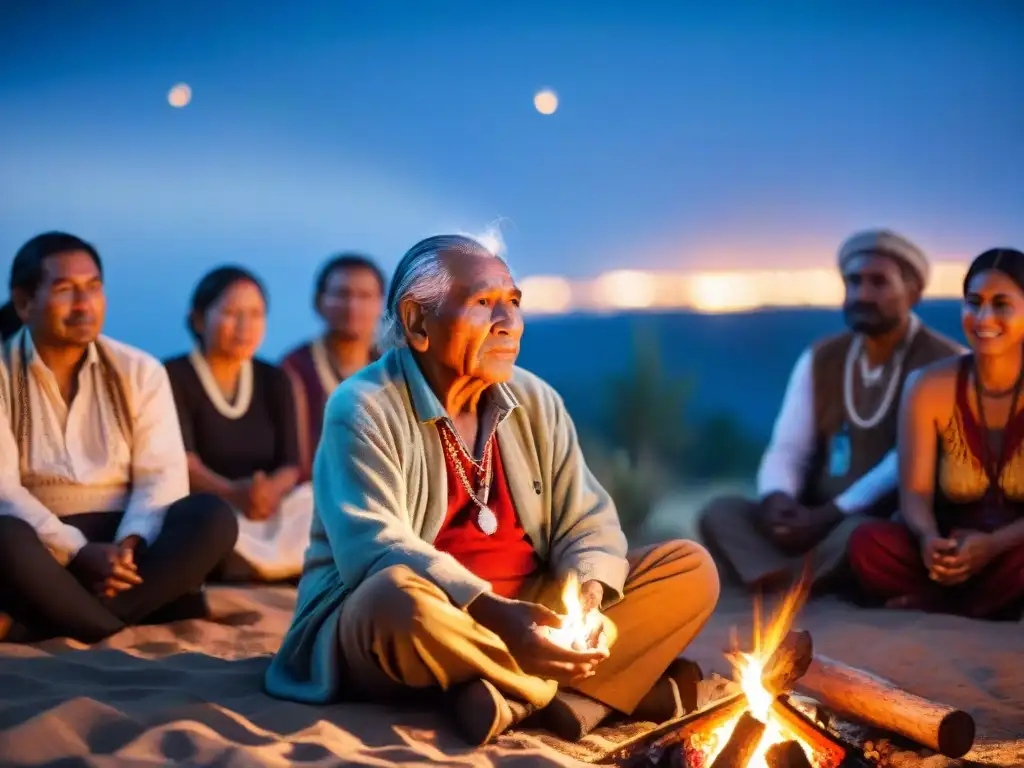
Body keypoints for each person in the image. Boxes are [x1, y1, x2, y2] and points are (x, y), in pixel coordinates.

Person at [264, 235, 720, 746]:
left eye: (515, 302)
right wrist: (498, 618)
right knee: (394, 599)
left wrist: (587, 597)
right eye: (484, 303)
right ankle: (563, 696)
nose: (510, 323)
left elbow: (586, 522)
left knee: (689, 568)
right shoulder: (364, 406)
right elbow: (374, 547)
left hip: (531, 611)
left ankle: (505, 694)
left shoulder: (535, 400)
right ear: (417, 322)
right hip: (427, 620)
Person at [0, 232, 238, 643]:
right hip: (41, 547)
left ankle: (51, 620)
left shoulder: (139, 370)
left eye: (93, 287)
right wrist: (77, 551)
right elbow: (4, 491)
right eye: (65, 290)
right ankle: (109, 622)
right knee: (3, 535)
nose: (83, 305)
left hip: (127, 548)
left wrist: (126, 546)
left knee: (211, 517)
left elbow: (161, 477)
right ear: (24, 302)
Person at [700, 229, 963, 592]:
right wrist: (778, 500)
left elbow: (904, 462)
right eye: (853, 282)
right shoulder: (821, 357)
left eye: (878, 283)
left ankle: (781, 582)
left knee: (863, 536)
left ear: (913, 292)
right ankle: (801, 579)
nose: (862, 295)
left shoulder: (947, 363)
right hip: (810, 517)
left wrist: (832, 514)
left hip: (875, 519)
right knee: (721, 513)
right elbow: (789, 448)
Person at [848, 248, 1024, 620]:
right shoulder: (928, 386)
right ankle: (975, 607)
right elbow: (914, 493)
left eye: (1001, 305)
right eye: (973, 303)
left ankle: (941, 607)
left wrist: (991, 546)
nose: (983, 317)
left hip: (1013, 550)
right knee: (868, 543)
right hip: (948, 552)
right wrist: (929, 539)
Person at [164, 266, 313, 583]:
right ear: (200, 319)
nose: (245, 326)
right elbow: (183, 462)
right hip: (214, 508)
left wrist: (268, 493)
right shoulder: (171, 375)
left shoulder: (275, 378)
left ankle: (262, 565)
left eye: (256, 314)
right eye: (232, 313)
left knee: (315, 500)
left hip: (265, 511)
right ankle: (268, 566)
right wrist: (234, 494)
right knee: (204, 522)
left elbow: (291, 464)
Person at [281, 253, 384, 480]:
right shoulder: (295, 367)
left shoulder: (396, 367)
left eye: (365, 296)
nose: (353, 306)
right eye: (342, 294)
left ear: (382, 304)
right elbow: (293, 461)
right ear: (318, 302)